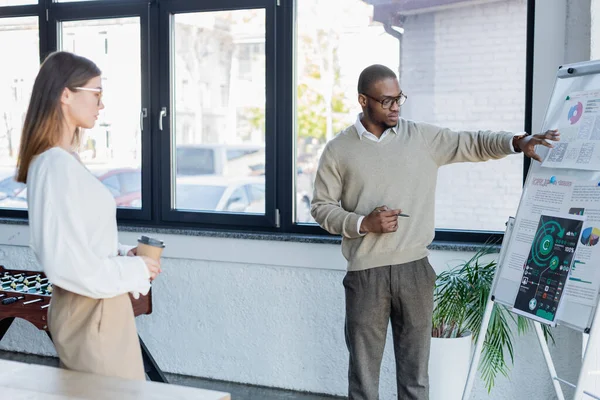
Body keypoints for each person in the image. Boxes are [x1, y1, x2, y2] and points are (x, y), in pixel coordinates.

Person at [310, 64, 559, 400]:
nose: (396, 106)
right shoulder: (338, 150)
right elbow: (321, 207)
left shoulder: (422, 138)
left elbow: (470, 143)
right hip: (365, 274)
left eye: (400, 98)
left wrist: (517, 142)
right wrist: (362, 223)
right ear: (363, 101)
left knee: (416, 377)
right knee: (363, 378)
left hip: (415, 270)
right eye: (387, 101)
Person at [16, 51, 161, 381]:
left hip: (101, 308)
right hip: (91, 312)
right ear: (66, 94)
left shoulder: (65, 160)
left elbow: (79, 240)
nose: (101, 104)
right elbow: (64, 263)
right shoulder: (54, 165)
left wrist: (125, 253)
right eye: (96, 93)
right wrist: (133, 268)